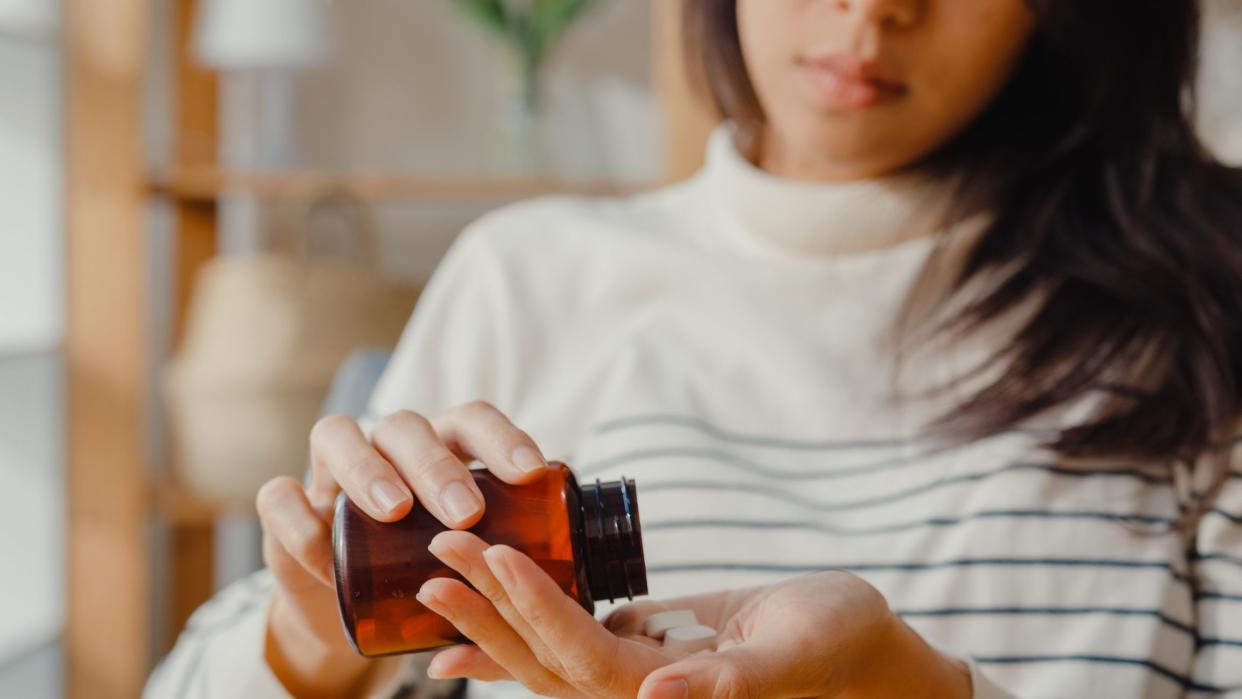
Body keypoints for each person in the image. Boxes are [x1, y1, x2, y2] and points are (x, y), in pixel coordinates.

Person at [146, 0, 1242, 697]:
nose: (875, 10)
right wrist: (312, 634)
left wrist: (922, 697)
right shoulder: (532, 272)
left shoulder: (1211, 296)